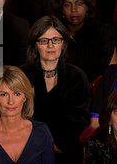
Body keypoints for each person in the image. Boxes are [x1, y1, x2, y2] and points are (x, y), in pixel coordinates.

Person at [21, 16, 90, 163]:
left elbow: (79, 120)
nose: (50, 45)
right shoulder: (22, 76)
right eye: (44, 40)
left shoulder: (77, 76)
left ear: (63, 43)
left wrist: (54, 143)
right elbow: (17, 116)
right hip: (27, 145)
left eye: (56, 40)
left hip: (66, 148)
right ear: (35, 45)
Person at [0, 65, 55, 163]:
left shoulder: (42, 132)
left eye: (17, 94)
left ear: (25, 97)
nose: (11, 101)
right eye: (4, 94)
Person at [53, 0, 117, 82]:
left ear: (87, 6)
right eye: (67, 5)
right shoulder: (54, 35)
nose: (73, 10)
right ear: (62, 9)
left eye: (79, 4)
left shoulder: (104, 32)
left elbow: (112, 74)